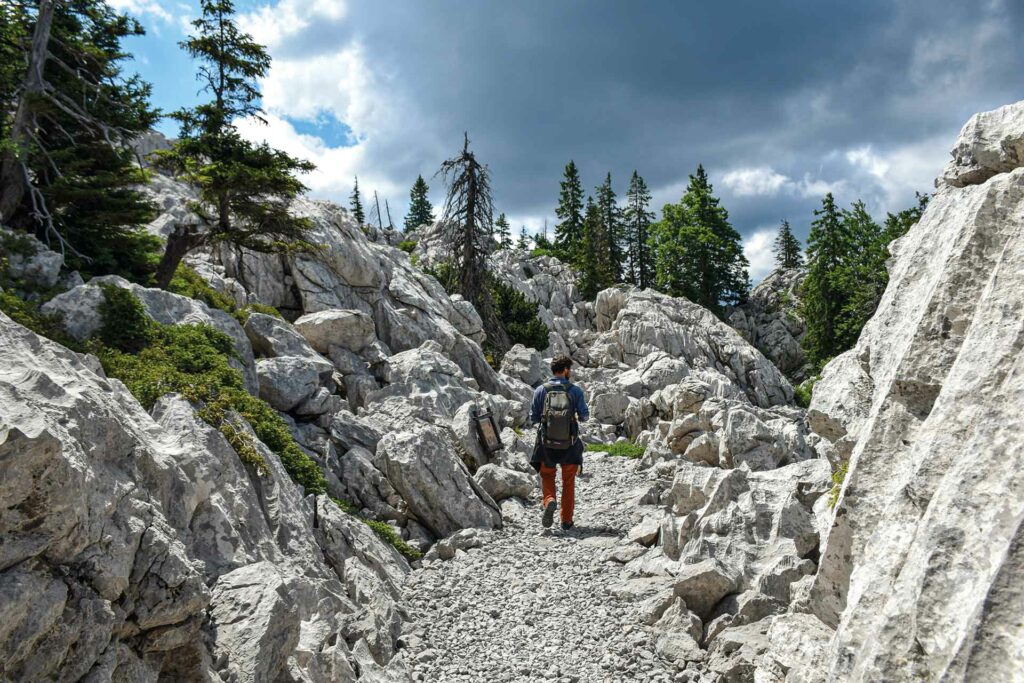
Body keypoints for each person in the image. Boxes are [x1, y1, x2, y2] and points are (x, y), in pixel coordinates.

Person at [530, 355, 590, 530]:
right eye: (569, 370)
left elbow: (533, 418)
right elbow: (585, 417)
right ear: (565, 370)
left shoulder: (541, 390)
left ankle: (549, 500)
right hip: (569, 443)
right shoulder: (575, 391)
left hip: (546, 443)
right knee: (568, 480)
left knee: (547, 475)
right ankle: (566, 520)